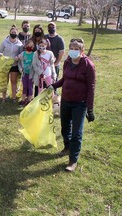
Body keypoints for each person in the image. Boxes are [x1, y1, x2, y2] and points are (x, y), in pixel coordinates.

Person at [50, 38, 96, 172]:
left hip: (79, 104)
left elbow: (91, 87)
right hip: (65, 100)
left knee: (77, 133)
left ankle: (73, 160)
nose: (74, 51)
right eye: (72, 48)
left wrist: (90, 108)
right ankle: (67, 147)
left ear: (82, 51)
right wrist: (53, 85)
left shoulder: (88, 65)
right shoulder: (68, 62)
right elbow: (65, 79)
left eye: (77, 49)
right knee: (65, 127)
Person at [0, 25, 23, 103]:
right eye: (12, 32)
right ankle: (4, 98)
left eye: (15, 32)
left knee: (13, 81)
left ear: (17, 34)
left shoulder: (19, 43)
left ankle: (14, 98)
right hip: (5, 64)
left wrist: (18, 57)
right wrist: (0, 55)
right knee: (5, 81)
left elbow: (22, 53)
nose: (13, 34)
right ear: (9, 33)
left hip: (14, 65)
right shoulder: (4, 42)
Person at [15, 40, 35, 106]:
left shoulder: (34, 54)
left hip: (31, 74)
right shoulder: (23, 53)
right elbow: (18, 59)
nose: (29, 47)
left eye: (31, 46)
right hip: (24, 73)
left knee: (30, 87)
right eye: (28, 45)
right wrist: (17, 58)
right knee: (24, 87)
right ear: (25, 46)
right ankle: (23, 100)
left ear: (33, 47)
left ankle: (29, 100)